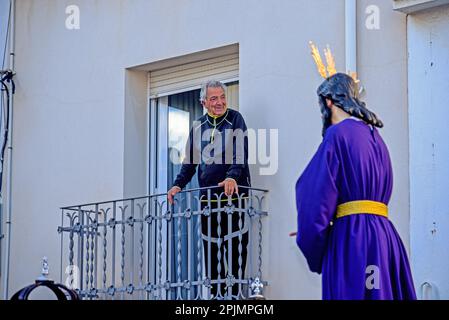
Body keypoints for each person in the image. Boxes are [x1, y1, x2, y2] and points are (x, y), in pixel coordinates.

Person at [294, 43, 416, 300]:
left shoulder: (336, 136)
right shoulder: (376, 138)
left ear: (328, 102)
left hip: (353, 240)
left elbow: (314, 199)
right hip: (384, 238)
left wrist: (313, 234)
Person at [167, 80, 251, 299]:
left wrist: (232, 177)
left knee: (235, 245)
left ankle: (233, 296)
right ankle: (216, 295)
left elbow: (240, 153)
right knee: (212, 247)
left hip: (234, 196)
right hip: (208, 199)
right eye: (214, 98)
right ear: (204, 102)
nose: (220, 102)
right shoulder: (197, 126)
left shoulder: (235, 119)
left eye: (222, 97)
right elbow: (190, 162)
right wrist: (178, 184)